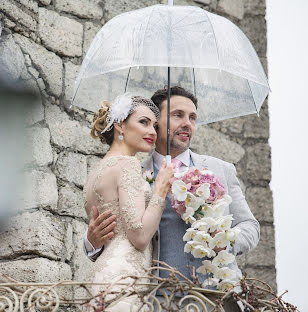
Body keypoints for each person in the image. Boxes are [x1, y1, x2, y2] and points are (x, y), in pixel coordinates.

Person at [84, 86, 260, 284]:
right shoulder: (134, 172)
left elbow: (250, 226)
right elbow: (117, 232)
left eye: (192, 118)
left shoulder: (221, 169)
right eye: (178, 115)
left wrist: (226, 241)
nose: (187, 124)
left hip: (215, 296)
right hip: (157, 298)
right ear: (156, 123)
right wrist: (92, 242)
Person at [84, 93, 176, 310]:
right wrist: (160, 191)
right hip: (125, 280)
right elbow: (140, 236)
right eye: (143, 122)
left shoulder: (97, 170)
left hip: (104, 277)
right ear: (119, 125)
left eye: (155, 126)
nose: (152, 132)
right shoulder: (129, 166)